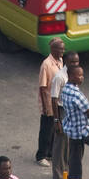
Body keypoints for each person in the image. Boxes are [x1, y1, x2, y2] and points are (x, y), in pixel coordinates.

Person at [49, 50, 78, 179]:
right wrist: (57, 120)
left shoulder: (73, 75)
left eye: (76, 61)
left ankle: (65, 175)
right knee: (60, 147)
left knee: (68, 145)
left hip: (70, 111)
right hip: (61, 112)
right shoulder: (59, 77)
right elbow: (54, 99)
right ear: (65, 61)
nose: (75, 64)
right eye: (72, 62)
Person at [36, 37, 65, 166]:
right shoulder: (46, 64)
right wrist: (46, 106)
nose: (62, 51)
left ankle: (51, 153)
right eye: (60, 49)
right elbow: (42, 87)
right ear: (53, 49)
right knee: (46, 130)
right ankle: (41, 155)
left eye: (63, 49)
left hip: (58, 101)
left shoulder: (60, 61)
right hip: (48, 102)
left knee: (55, 128)